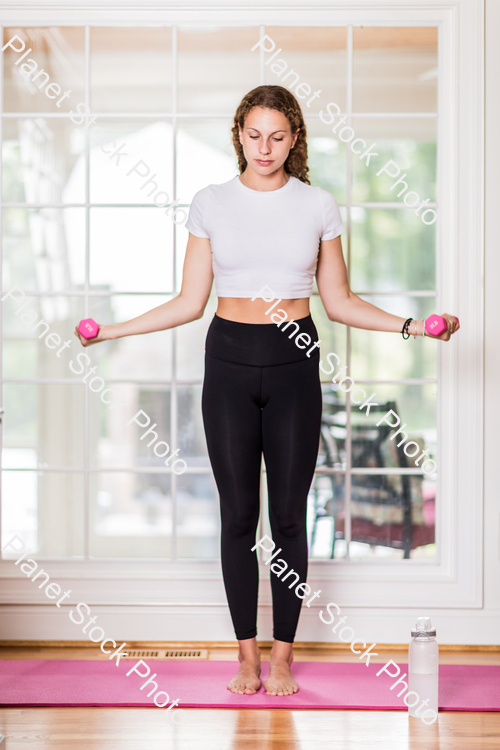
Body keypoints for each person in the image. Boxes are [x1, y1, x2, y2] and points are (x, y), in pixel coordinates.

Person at [75, 84, 459, 698]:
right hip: (228, 359)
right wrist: (112, 332)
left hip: (294, 361)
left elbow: (339, 301)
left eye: (277, 135)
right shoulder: (210, 202)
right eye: (254, 134)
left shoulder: (318, 206)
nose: (264, 146)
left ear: (295, 139)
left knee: (287, 519)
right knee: (237, 518)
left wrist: (411, 325)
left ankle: (282, 657)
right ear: (238, 135)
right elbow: (188, 301)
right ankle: (246, 656)